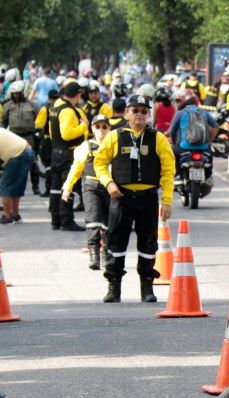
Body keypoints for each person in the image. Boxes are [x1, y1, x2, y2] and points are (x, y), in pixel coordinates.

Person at [93, 94, 175, 304]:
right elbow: (99, 163)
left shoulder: (157, 138)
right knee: (116, 242)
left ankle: (147, 287)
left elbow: (168, 170)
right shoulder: (114, 136)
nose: (139, 115)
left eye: (144, 111)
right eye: (135, 110)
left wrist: (166, 201)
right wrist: (109, 183)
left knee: (148, 242)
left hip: (148, 198)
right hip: (121, 198)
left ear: (149, 115)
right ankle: (114, 287)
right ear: (127, 113)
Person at [62, 115, 112, 270]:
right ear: (92, 129)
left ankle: (107, 253)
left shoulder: (114, 144)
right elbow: (76, 168)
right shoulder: (86, 146)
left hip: (110, 188)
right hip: (91, 186)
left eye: (104, 126)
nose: (101, 130)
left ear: (109, 128)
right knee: (93, 219)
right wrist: (68, 187)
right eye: (98, 127)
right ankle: (94, 255)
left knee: (109, 223)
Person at [48, 81, 88, 231]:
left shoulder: (55, 106)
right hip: (67, 152)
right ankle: (66, 220)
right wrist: (83, 125)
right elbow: (66, 134)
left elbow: (53, 132)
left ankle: (55, 219)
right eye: (79, 95)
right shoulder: (68, 110)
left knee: (55, 187)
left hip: (56, 151)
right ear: (76, 95)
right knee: (67, 186)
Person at [1, 80, 42, 195]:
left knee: (33, 162)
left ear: (23, 92)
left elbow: (40, 121)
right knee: (13, 162)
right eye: (14, 93)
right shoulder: (7, 106)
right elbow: (3, 121)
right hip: (13, 137)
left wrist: (40, 134)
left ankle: (36, 186)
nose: (16, 95)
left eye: (18, 93)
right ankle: (14, 187)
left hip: (29, 137)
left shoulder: (32, 105)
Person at [168, 94, 218, 180]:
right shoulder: (204, 112)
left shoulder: (180, 113)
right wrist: (209, 141)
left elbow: (172, 131)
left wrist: (173, 142)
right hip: (203, 147)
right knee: (210, 154)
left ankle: (178, 174)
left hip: (185, 147)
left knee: (172, 153)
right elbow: (216, 126)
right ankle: (209, 175)